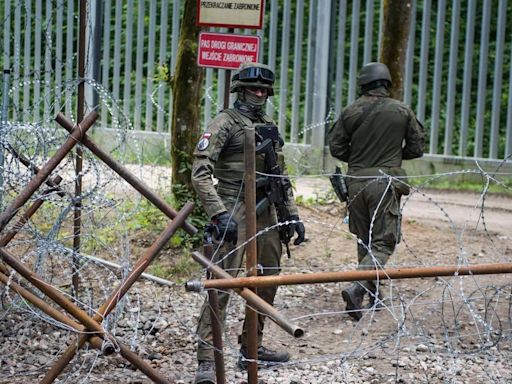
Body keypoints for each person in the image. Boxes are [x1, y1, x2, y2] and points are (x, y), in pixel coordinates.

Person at [191, 62, 306, 383]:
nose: (259, 94)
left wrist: (292, 214)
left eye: (264, 90)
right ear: (240, 90)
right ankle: (206, 358)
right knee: (222, 283)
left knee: (269, 278)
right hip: (233, 205)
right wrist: (218, 212)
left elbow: (280, 176)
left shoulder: (268, 124)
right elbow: (200, 171)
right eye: (253, 89)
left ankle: (251, 346)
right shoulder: (224, 123)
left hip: (268, 207)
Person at [328, 62, 424, 321]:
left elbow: (336, 148)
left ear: (363, 84)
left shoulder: (350, 112)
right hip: (385, 181)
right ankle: (358, 286)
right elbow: (417, 147)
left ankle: (373, 294)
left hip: (356, 182)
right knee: (384, 240)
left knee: (364, 238)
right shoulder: (401, 111)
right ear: (386, 84)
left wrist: (359, 158)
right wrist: (392, 156)